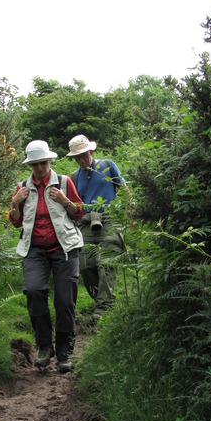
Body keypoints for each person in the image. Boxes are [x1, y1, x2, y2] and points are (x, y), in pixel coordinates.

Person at [9, 140, 84, 373]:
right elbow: (16, 221)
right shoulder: (22, 187)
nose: (40, 168)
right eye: (35, 164)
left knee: (64, 299)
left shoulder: (63, 182)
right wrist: (15, 203)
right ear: (30, 165)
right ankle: (44, 347)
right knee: (33, 291)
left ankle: (65, 352)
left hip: (65, 248)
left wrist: (64, 200)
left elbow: (79, 212)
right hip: (34, 249)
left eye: (43, 163)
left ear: (50, 161)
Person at [67, 134, 127, 320]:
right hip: (86, 222)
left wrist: (130, 211)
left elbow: (123, 188)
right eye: (77, 157)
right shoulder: (74, 177)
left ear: (91, 151)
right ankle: (102, 300)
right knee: (85, 265)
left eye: (84, 155)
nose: (81, 159)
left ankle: (102, 309)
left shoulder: (108, 165)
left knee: (106, 262)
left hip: (109, 219)